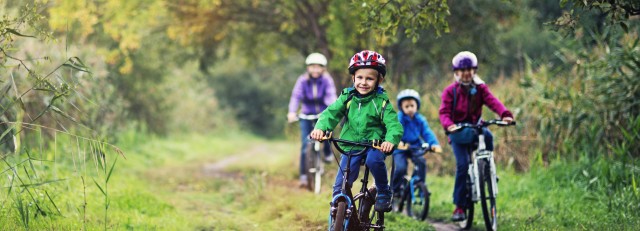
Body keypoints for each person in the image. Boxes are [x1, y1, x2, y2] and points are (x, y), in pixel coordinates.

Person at [310, 50, 403, 212]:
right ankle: (338, 215)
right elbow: (331, 114)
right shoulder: (347, 97)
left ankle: (383, 191)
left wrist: (390, 141)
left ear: (379, 80)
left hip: (375, 144)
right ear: (353, 78)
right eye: (360, 77)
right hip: (351, 143)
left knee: (374, 161)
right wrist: (320, 128)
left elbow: (394, 124)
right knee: (341, 185)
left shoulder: (381, 101)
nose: (363, 82)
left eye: (369, 78)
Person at [438, 51, 514, 221]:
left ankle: (488, 169)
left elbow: (492, 101)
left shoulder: (480, 88)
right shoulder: (451, 91)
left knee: (488, 137)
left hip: (476, 128)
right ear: (456, 72)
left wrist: (505, 114)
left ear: (474, 71)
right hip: (458, 132)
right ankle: (459, 207)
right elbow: (444, 112)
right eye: (462, 70)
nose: (466, 73)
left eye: (470, 69)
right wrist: (448, 125)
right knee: (463, 166)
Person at [287, 52, 337, 187]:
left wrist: (331, 110)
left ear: (323, 68)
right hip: (306, 114)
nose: (315, 70)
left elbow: (331, 95)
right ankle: (303, 175)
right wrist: (292, 112)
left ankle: (327, 153)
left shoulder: (327, 80)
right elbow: (296, 96)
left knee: (326, 135)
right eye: (312, 67)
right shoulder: (302, 80)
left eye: (318, 67)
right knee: (305, 144)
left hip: (322, 114)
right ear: (308, 68)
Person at [391, 89, 442, 198]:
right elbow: (395, 130)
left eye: (412, 106)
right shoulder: (399, 118)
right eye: (406, 106)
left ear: (416, 106)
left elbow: (427, 133)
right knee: (400, 168)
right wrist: (396, 141)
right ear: (401, 107)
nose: (410, 109)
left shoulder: (420, 119)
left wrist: (433, 144)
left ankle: (419, 185)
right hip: (400, 147)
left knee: (421, 162)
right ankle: (394, 190)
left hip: (415, 146)